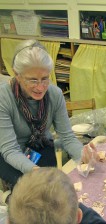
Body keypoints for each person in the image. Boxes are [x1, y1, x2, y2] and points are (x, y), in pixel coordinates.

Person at [0, 39, 97, 197]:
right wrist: (34, 171)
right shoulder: (3, 97)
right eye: (33, 80)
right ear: (17, 75)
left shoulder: (55, 94)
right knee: (35, 193)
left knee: (57, 189)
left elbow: (67, 137)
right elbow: (9, 150)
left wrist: (83, 155)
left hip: (41, 147)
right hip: (10, 156)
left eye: (45, 78)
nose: (40, 87)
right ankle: (8, 197)